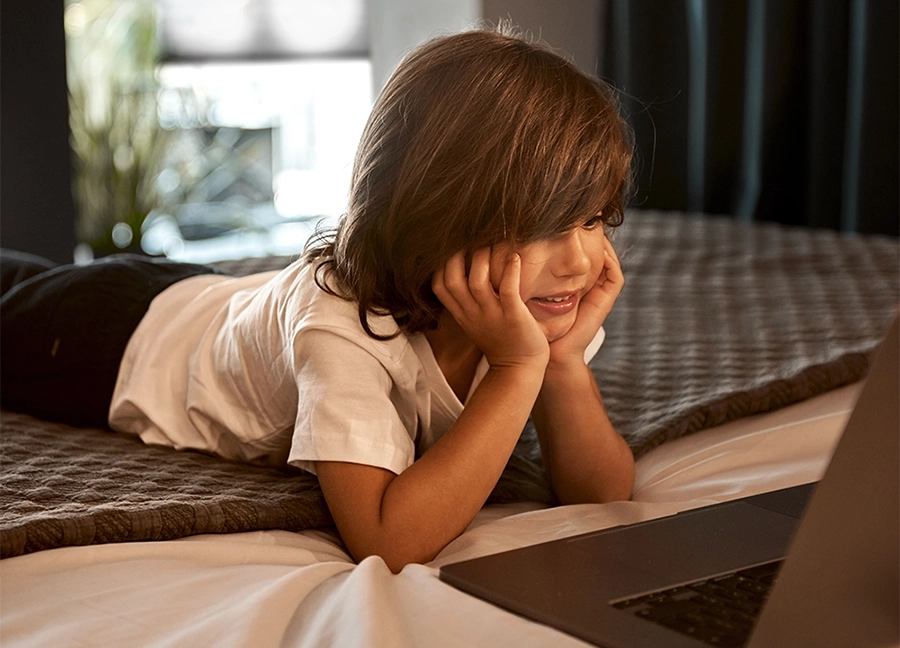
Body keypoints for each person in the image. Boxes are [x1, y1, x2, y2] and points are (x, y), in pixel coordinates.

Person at [0, 26, 635, 572]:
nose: (581, 261)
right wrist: (518, 369)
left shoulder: (538, 304)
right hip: (106, 340)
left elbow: (605, 495)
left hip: (201, 295)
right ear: (442, 213)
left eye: (593, 219)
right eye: (548, 224)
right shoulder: (343, 326)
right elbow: (388, 540)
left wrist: (560, 363)